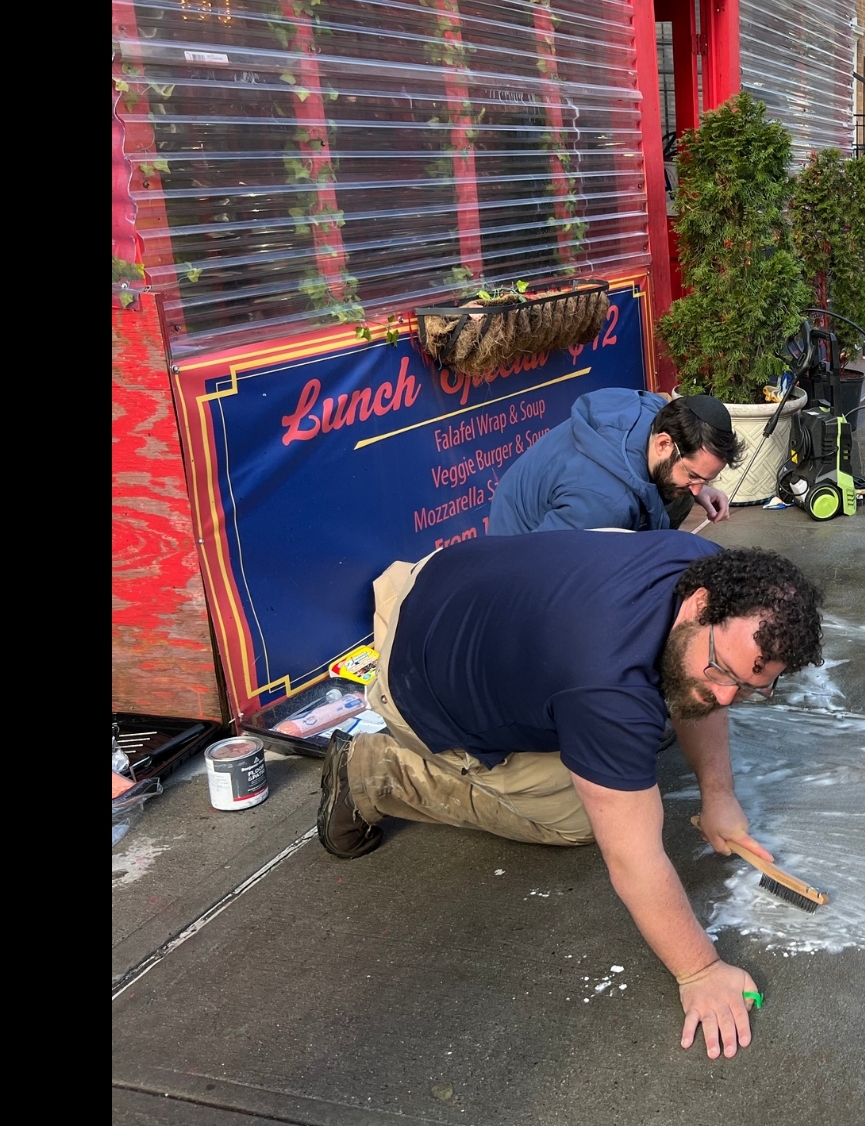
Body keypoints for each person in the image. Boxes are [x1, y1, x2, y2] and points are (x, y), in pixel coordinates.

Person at [318, 532, 826, 1059]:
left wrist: (718, 795)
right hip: (414, 675)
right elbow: (632, 859)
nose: (727, 695)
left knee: (671, 705)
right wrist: (700, 969)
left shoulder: (712, 573)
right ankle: (376, 770)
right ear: (700, 605)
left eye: (749, 686)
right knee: (583, 816)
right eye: (723, 671)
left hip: (437, 580)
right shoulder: (608, 686)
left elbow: (704, 686)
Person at [487, 390, 741, 536]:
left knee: (680, 494)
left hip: (562, 515)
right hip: (520, 547)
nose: (698, 488)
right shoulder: (605, 503)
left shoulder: (656, 414)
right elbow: (545, 563)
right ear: (663, 444)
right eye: (693, 475)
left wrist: (699, 484)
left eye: (705, 479)